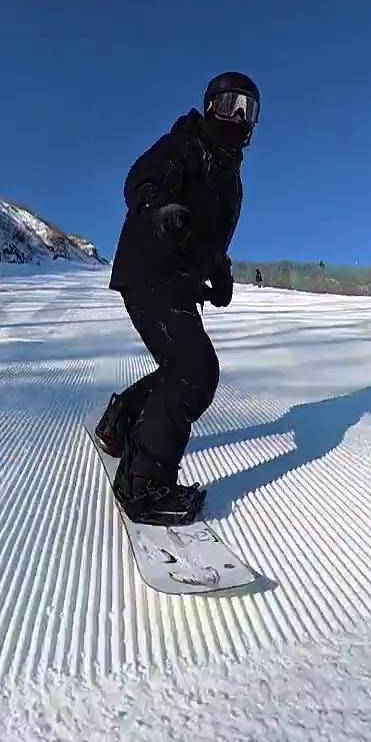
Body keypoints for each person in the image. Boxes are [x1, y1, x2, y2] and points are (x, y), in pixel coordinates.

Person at [96, 71, 261, 525]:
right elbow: (139, 180)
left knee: (184, 369)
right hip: (151, 268)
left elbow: (212, 237)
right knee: (195, 373)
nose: (238, 116)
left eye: (248, 108)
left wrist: (220, 271)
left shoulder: (230, 177)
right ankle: (143, 486)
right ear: (210, 107)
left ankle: (121, 422)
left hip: (179, 281)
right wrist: (159, 208)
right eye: (230, 104)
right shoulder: (186, 144)